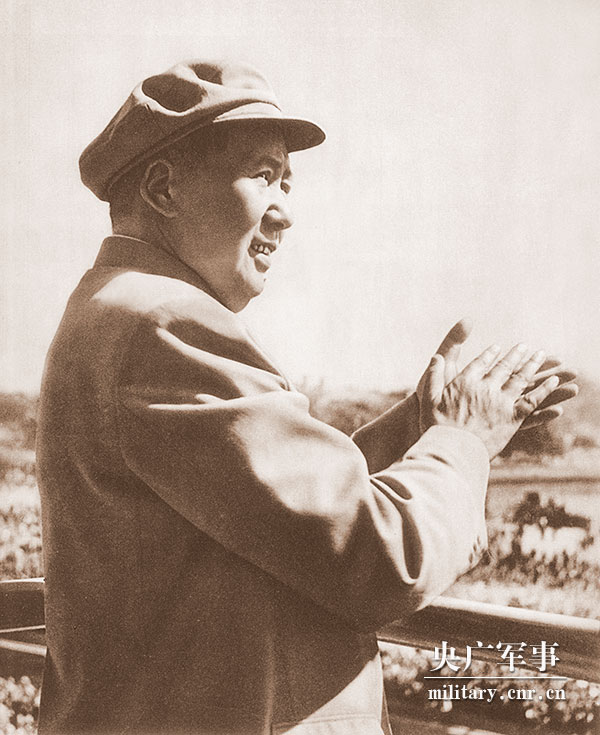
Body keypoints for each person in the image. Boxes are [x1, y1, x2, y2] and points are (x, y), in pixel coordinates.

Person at [36, 59, 577, 735]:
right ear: (164, 187)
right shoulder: (164, 324)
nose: (285, 213)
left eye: (287, 182)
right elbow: (383, 558)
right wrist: (462, 440)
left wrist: (419, 424)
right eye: (263, 174)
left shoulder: (113, 309)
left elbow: (272, 507)